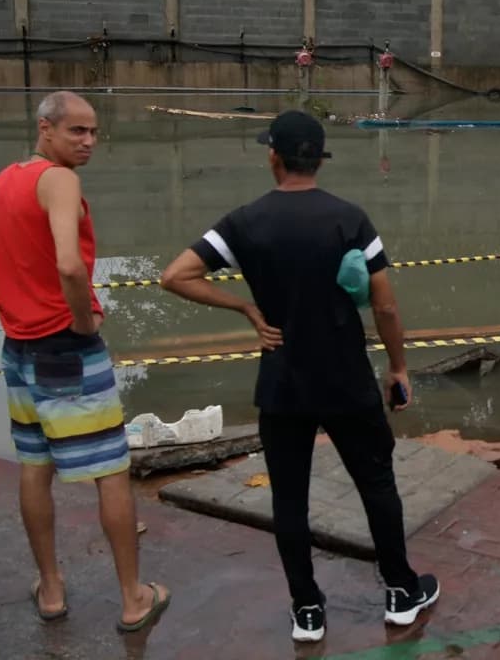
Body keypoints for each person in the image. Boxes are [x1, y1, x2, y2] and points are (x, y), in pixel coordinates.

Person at [157, 109, 439, 641]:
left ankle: (307, 610)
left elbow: (176, 276)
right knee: (377, 482)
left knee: (289, 497)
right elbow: (386, 309)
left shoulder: (244, 222)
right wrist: (398, 367)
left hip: (283, 382)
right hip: (347, 379)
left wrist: (246, 309)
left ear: (274, 157)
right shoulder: (350, 219)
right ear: (318, 160)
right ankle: (402, 592)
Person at [0, 90, 170, 633]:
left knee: (35, 466)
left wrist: (0, 293)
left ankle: (51, 590)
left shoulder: (6, 180)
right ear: (45, 128)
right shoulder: (59, 181)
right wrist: (81, 322)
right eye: (77, 131)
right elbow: (70, 266)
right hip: (67, 347)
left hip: (19, 350)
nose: (88, 142)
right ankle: (133, 598)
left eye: (94, 132)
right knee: (110, 473)